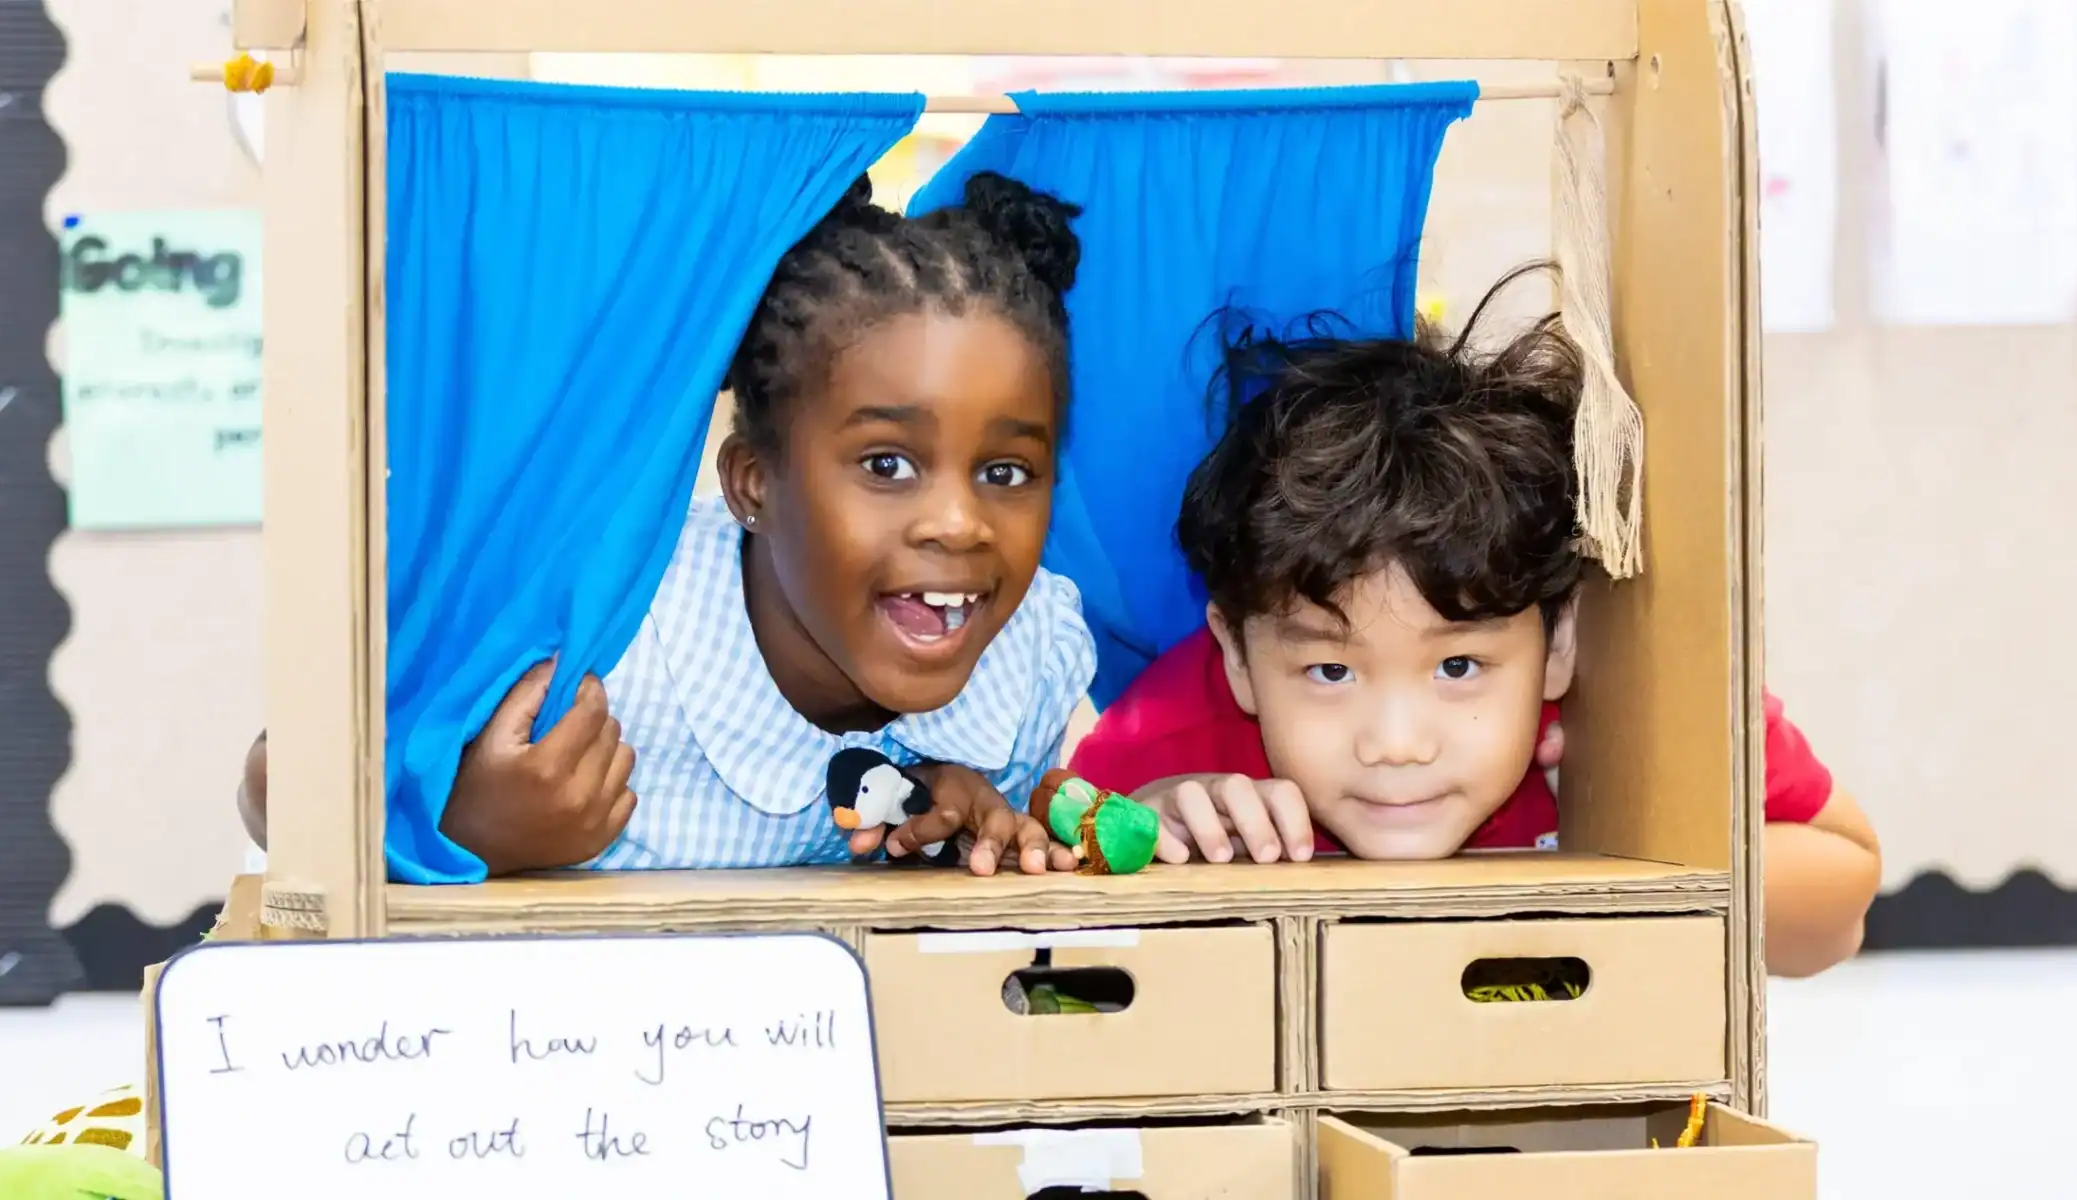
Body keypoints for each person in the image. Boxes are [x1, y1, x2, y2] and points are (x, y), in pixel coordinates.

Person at [242, 171, 1098, 879]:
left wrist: (980, 828)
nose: (958, 523)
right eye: (887, 465)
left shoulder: (1025, 660)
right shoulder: (597, 637)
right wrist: (458, 826)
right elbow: (273, 779)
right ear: (753, 484)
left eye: (1006, 472)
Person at [1066, 268, 1883, 977]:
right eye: (1330, 672)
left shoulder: (1634, 704)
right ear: (1238, 657)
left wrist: (1637, 832)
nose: (1397, 743)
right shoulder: (1175, 742)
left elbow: (1840, 910)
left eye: (1458, 667)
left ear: (1559, 639)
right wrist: (1140, 838)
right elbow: (1030, 920)